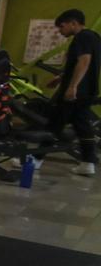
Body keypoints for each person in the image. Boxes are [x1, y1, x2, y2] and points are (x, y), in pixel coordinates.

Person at [47, 9, 99, 176]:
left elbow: (84, 61)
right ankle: (88, 163)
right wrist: (62, 77)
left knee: (54, 124)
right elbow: (84, 65)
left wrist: (72, 86)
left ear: (73, 23)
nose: (60, 31)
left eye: (62, 26)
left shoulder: (82, 37)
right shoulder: (94, 37)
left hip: (76, 93)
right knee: (83, 126)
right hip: (87, 91)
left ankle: (35, 159)